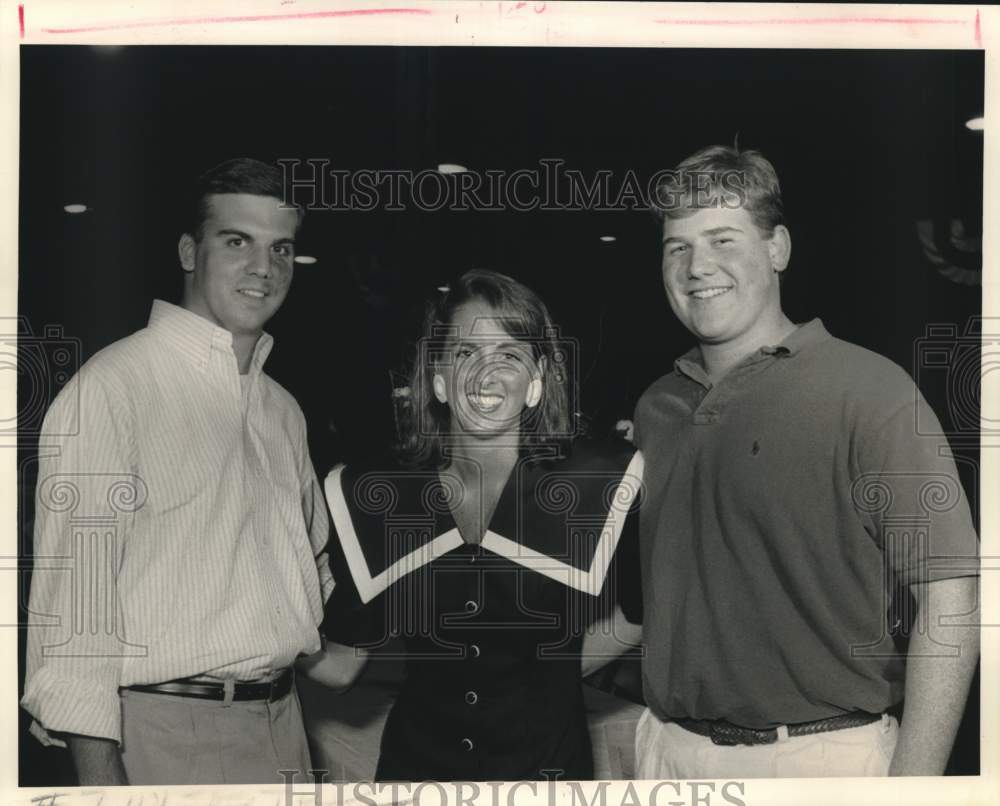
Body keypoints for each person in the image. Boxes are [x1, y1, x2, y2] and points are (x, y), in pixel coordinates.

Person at [631, 145, 980, 778]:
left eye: (722, 239)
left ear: (777, 249)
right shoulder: (659, 406)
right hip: (666, 752)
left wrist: (915, 789)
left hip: (819, 759)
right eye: (676, 246)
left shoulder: (870, 391)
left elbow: (952, 596)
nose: (696, 266)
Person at [21, 158, 332, 786]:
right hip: (163, 735)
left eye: (281, 248)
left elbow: (313, 578)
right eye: (236, 240)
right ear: (190, 251)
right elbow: (75, 627)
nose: (263, 268)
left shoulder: (283, 411)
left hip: (285, 728)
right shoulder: (113, 388)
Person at [300, 269, 643, 781]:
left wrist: (551, 674)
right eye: (464, 352)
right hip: (418, 778)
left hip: (546, 779)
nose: (486, 374)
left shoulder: (600, 480)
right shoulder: (378, 497)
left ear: (537, 379)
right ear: (438, 375)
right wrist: (266, 617)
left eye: (509, 354)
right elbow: (343, 664)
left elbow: (639, 613)